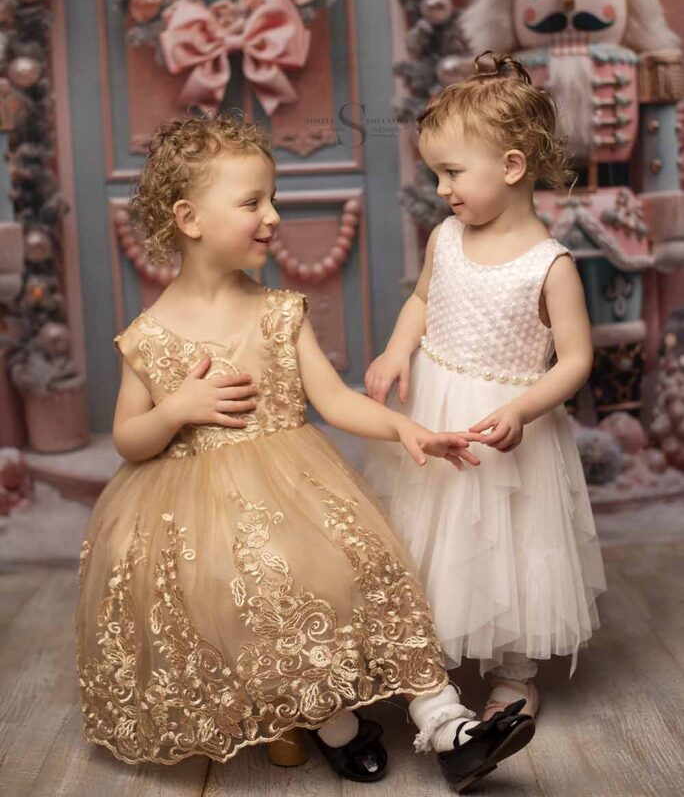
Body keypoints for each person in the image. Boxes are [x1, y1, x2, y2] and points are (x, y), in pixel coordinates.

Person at [75, 111, 534, 792]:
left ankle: (449, 726)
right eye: (253, 202)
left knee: (370, 570)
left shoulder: (278, 310)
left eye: (273, 197)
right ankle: (341, 729)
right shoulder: (149, 335)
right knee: (264, 595)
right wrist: (176, 410)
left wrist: (404, 428)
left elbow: (335, 400)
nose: (273, 215)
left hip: (297, 489)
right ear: (189, 218)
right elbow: (129, 440)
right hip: (200, 518)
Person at [365, 52, 607, 721]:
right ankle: (426, 660)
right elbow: (421, 299)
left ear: (510, 167)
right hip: (436, 412)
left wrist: (524, 409)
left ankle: (512, 671)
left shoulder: (547, 264)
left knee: (509, 542)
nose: (442, 189)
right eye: (437, 173)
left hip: (506, 424)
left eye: (451, 172)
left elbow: (575, 361)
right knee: (430, 531)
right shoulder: (446, 236)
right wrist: (395, 351)